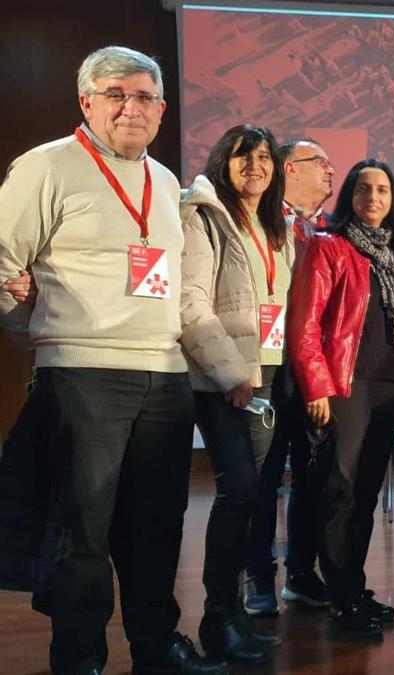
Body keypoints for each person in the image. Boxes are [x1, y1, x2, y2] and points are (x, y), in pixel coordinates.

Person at [0, 46, 226, 674]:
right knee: (84, 533)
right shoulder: (46, 167)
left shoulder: (165, 180)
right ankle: (79, 659)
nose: (132, 108)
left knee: (157, 528)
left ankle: (157, 650)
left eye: (145, 97)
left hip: (165, 375)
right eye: (116, 94)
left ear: (162, 109)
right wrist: (34, 331)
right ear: (86, 102)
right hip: (83, 375)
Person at [288, 159, 394, 637]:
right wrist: (317, 386)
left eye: (383, 190)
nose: (374, 198)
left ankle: (353, 587)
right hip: (346, 386)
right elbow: (304, 325)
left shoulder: (388, 253)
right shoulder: (329, 247)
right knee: (341, 492)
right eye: (364, 189)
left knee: (364, 495)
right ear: (348, 196)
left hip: (386, 386)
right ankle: (340, 599)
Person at [180, 124, 292, 664]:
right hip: (227, 380)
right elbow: (191, 300)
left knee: (253, 496)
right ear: (223, 161)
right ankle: (219, 616)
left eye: (265, 157)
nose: (255, 166)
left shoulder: (274, 224)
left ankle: (236, 615)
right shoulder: (204, 215)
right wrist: (229, 374)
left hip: (270, 376)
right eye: (244, 156)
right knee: (239, 492)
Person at [244, 138, 336, 616]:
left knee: (312, 477)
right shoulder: (256, 220)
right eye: (319, 163)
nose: (330, 171)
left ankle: (302, 574)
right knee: (262, 478)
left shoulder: (329, 230)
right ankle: (259, 578)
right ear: (288, 169)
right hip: (267, 365)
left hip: (314, 370)